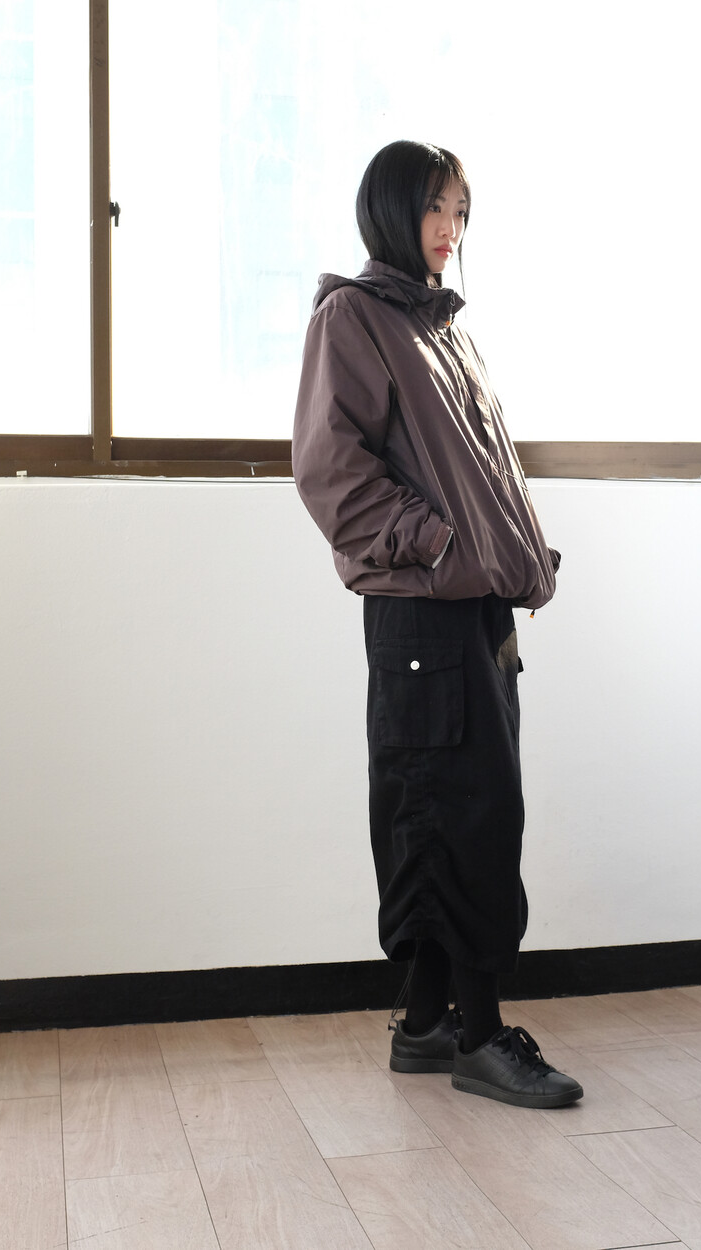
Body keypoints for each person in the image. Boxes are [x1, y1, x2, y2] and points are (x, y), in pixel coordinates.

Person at [292, 140, 582, 1109]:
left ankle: (424, 1023)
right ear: (391, 209)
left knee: (470, 811)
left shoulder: (441, 326)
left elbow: (482, 468)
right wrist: (443, 545)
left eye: (460, 211)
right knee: (453, 815)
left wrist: (509, 555)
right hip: (423, 611)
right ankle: (481, 1035)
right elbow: (333, 473)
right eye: (434, 208)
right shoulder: (355, 316)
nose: (450, 228)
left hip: (473, 610)